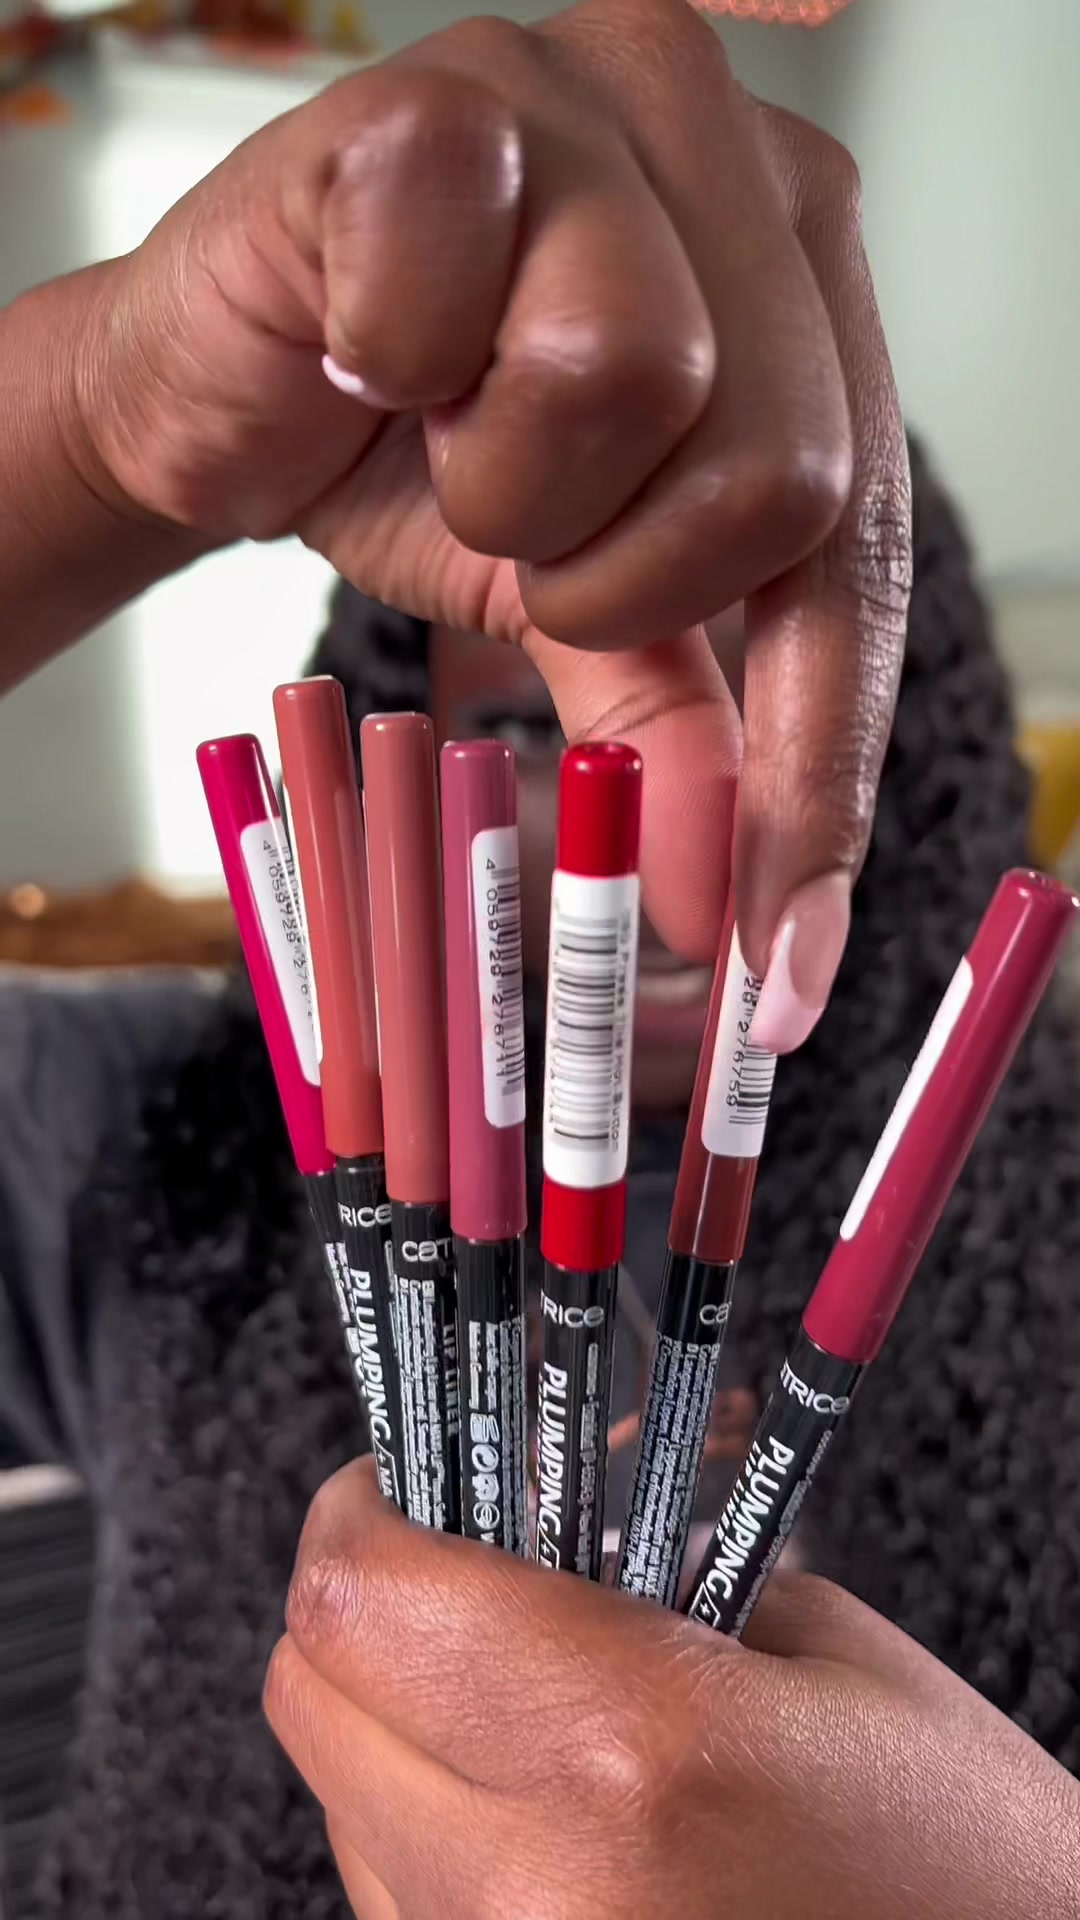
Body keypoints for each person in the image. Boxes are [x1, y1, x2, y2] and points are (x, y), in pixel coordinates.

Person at [0, 1, 1077, 1913]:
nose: (640, 839)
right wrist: (92, 424)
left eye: (758, 716)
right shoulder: (155, 1138)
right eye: (523, 734)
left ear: (912, 778)